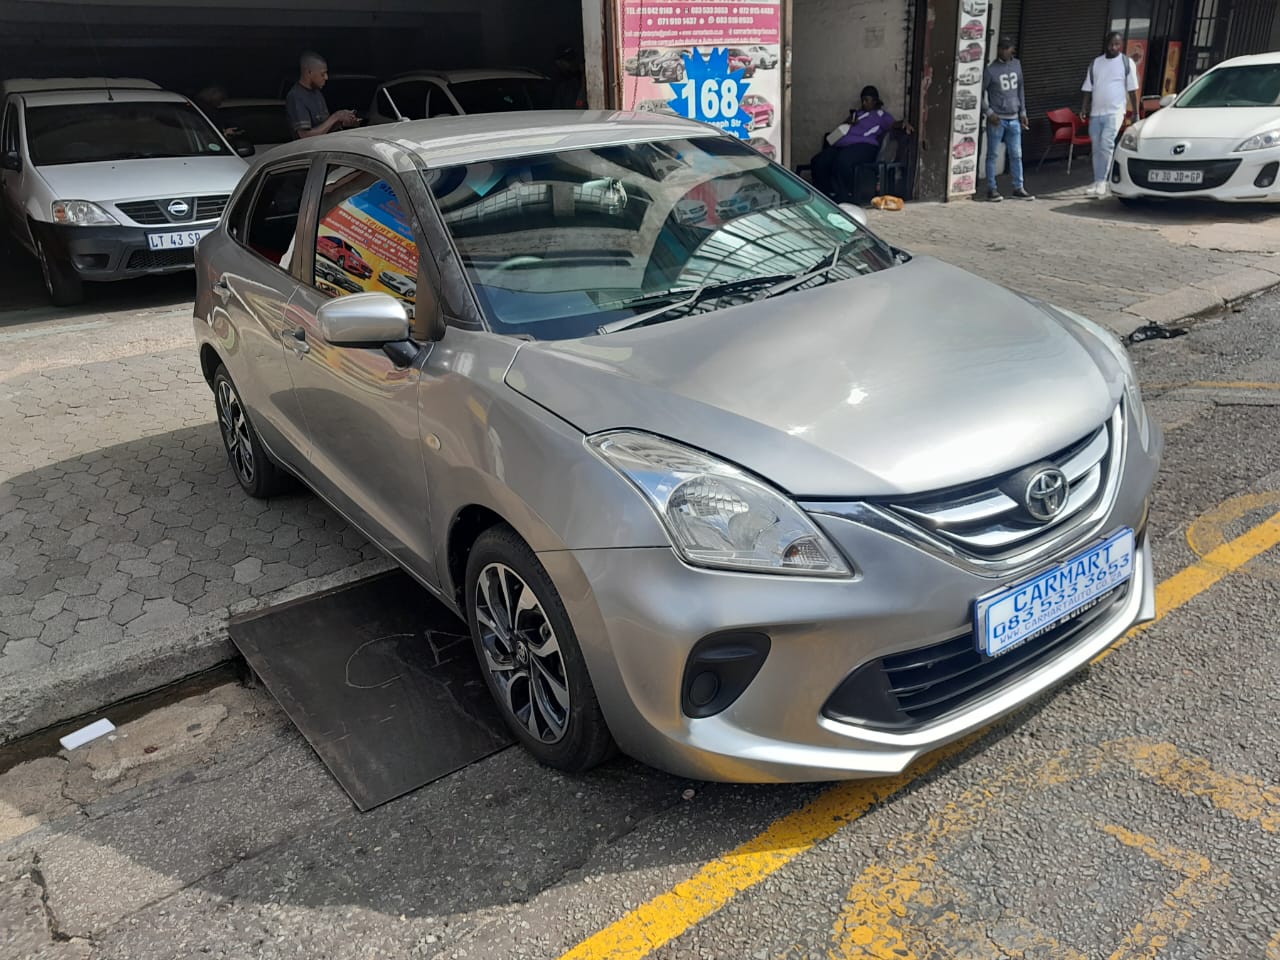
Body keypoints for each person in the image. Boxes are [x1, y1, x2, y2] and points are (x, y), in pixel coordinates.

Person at [808, 86, 912, 203]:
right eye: (863, 100)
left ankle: (844, 196)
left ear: (875, 101)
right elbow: (841, 129)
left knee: (843, 162)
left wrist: (904, 124)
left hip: (864, 146)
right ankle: (824, 194)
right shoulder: (857, 114)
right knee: (818, 161)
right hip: (842, 145)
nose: (864, 103)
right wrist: (849, 122)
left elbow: (893, 124)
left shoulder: (880, 115)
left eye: (867, 100)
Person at [1081, 32, 1141, 198]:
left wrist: (1135, 113)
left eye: (1117, 45)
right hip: (1096, 112)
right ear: (1105, 44)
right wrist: (1084, 108)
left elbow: (1132, 90)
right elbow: (1088, 87)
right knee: (1096, 147)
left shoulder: (1126, 63)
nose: (1114, 47)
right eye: (1111, 44)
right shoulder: (1096, 63)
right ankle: (1097, 180)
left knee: (1107, 143)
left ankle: (1102, 181)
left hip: (1115, 111)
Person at [981, 38, 1034, 202]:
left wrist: (1023, 111)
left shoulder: (1017, 65)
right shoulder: (990, 71)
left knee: (1016, 154)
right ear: (998, 50)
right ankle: (992, 188)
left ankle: (1019, 187)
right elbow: (979, 93)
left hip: (1014, 118)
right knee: (993, 154)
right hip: (997, 118)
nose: (1005, 51)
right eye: (1002, 48)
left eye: (1008, 48)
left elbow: (1021, 89)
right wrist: (989, 113)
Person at [285, 52, 359, 139]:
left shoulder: (317, 93)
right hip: (308, 150)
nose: (326, 77)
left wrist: (341, 121)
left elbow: (323, 128)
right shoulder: (296, 97)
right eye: (322, 74)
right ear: (309, 72)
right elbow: (305, 136)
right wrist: (335, 117)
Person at [551, 45, 587, 110]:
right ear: (558, 62)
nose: (572, 64)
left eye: (572, 59)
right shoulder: (560, 85)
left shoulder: (579, 80)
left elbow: (579, 105)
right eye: (567, 61)